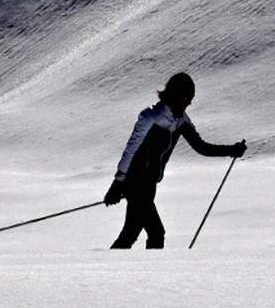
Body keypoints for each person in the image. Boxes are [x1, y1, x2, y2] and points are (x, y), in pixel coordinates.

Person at [104, 72, 246, 249]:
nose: (189, 103)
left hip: (149, 184)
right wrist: (118, 184)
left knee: (131, 233)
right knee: (156, 233)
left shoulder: (182, 121)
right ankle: (143, 274)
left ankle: (109, 271)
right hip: (135, 183)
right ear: (175, 94)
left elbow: (201, 147)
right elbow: (130, 150)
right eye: (187, 97)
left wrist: (231, 150)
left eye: (191, 98)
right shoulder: (151, 116)